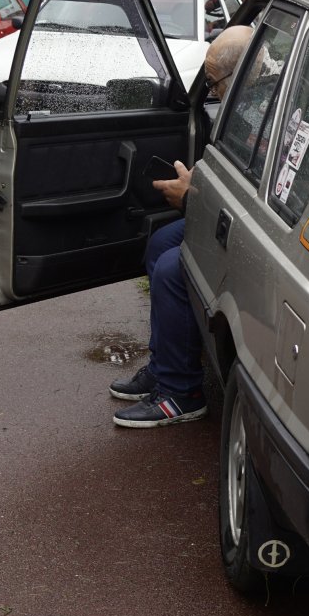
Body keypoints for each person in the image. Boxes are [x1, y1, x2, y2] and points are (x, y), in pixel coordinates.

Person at [110, 25, 255, 427]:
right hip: (225, 211)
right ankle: (165, 366)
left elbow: (256, 196)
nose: (210, 93)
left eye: (213, 83)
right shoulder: (245, 102)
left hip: (250, 229)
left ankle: (182, 394)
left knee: (176, 267)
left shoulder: (262, 109)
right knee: (161, 243)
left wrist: (193, 199)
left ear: (239, 74)